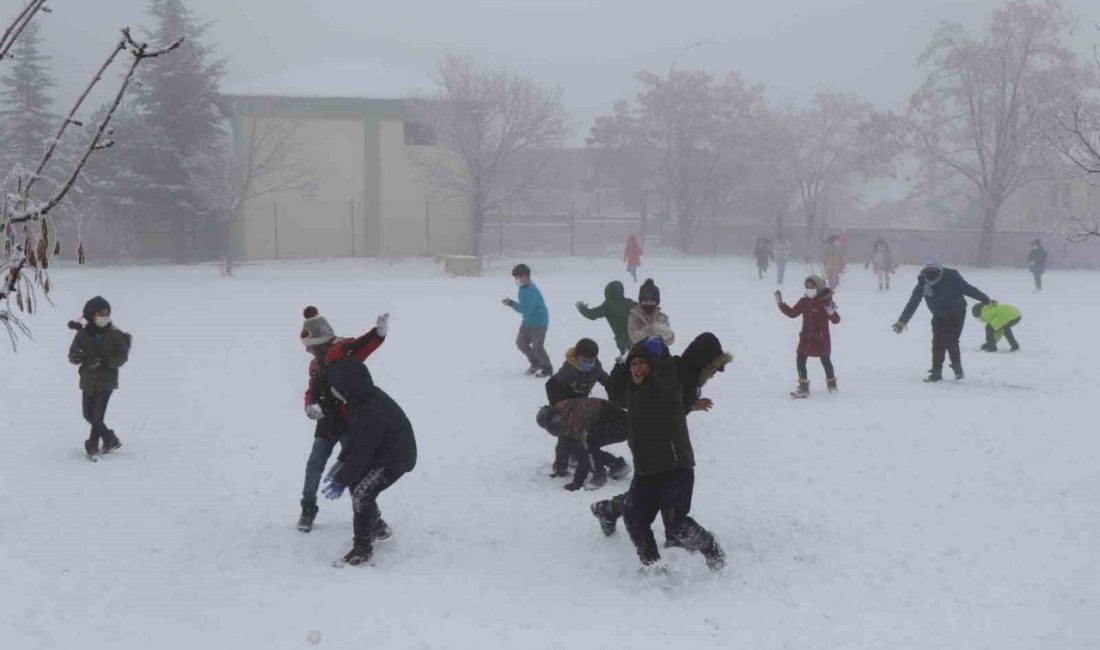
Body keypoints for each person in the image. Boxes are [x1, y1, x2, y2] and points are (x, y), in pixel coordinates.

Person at [589, 338, 725, 572]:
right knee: (634, 520)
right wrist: (622, 362)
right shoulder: (632, 393)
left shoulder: (665, 386)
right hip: (645, 471)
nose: (638, 368)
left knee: (677, 525)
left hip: (675, 468)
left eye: (643, 363)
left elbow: (666, 372)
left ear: (653, 365)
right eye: (634, 364)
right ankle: (653, 566)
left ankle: (710, 547)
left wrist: (657, 349)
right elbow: (614, 391)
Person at [320, 341, 417, 567]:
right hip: (381, 452)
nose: (335, 393)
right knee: (358, 484)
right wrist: (341, 464)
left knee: (362, 494)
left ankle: (362, 549)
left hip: (396, 458)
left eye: (337, 389)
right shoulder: (360, 401)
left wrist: (341, 479)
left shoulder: (370, 409)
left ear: (349, 387)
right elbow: (355, 440)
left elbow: (363, 451)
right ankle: (376, 525)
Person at [297, 306, 389, 533]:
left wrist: (377, 334)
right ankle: (308, 509)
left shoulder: (344, 350)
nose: (307, 351)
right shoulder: (315, 364)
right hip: (326, 425)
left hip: (350, 423)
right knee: (314, 467)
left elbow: (363, 345)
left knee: (355, 470)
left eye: (310, 346)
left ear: (320, 342)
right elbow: (312, 389)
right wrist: (310, 405)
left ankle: (373, 519)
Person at [893, 260, 993, 382]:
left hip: (957, 312)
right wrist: (902, 321)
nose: (929, 276)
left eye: (932, 273)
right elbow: (913, 302)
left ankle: (957, 369)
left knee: (951, 340)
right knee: (937, 342)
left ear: (939, 272)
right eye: (927, 273)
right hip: (939, 314)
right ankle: (936, 372)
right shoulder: (923, 282)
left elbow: (968, 289)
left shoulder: (952, 277)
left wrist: (986, 300)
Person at [545, 338, 628, 482]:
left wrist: (615, 393)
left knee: (583, 442)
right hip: (568, 408)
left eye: (592, 360)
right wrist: (559, 404)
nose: (589, 364)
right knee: (567, 437)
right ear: (577, 357)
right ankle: (561, 466)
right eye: (585, 360)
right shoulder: (568, 370)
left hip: (584, 410)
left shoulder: (595, 367)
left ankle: (614, 463)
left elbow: (606, 380)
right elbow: (551, 384)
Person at [67, 296, 131, 460]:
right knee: (88, 415)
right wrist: (76, 356)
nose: (104, 316)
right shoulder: (82, 335)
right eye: (100, 313)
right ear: (90, 315)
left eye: (106, 313)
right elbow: (73, 354)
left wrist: (106, 362)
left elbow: (122, 357)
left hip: (107, 380)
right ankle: (110, 439)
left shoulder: (116, 335)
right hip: (87, 380)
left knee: (97, 416)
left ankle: (93, 444)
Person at [536, 398, 631, 491]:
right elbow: (563, 442)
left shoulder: (576, 415)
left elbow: (584, 450)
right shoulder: (565, 414)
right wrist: (560, 468)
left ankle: (599, 477)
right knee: (579, 443)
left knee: (587, 442)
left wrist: (577, 482)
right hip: (610, 424)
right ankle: (617, 465)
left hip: (622, 426)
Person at [776, 276, 841, 398]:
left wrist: (832, 313)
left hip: (821, 338)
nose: (809, 289)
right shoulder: (804, 302)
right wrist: (781, 304)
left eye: (812, 287)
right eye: (807, 287)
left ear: (818, 287)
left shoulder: (825, 302)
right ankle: (803, 387)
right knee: (800, 359)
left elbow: (836, 320)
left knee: (825, 360)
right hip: (806, 337)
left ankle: (832, 384)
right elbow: (792, 313)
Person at [502, 263, 552, 377]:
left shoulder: (531, 291)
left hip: (539, 323)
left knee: (538, 347)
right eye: (516, 277)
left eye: (518, 277)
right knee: (521, 343)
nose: (517, 279)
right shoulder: (523, 288)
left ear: (525, 276)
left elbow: (527, 310)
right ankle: (536, 363)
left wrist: (511, 303)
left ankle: (547, 368)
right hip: (528, 322)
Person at [575, 281, 637, 356]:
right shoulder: (630, 303)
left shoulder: (608, 305)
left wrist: (582, 309)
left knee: (628, 361)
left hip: (623, 341)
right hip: (637, 337)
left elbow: (592, 315)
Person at [627, 279, 674, 346]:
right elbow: (634, 338)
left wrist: (669, 336)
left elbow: (669, 342)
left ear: (657, 302)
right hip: (639, 352)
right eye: (645, 301)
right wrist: (651, 329)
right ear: (640, 301)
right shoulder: (634, 316)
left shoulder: (662, 317)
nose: (648, 304)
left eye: (652, 301)